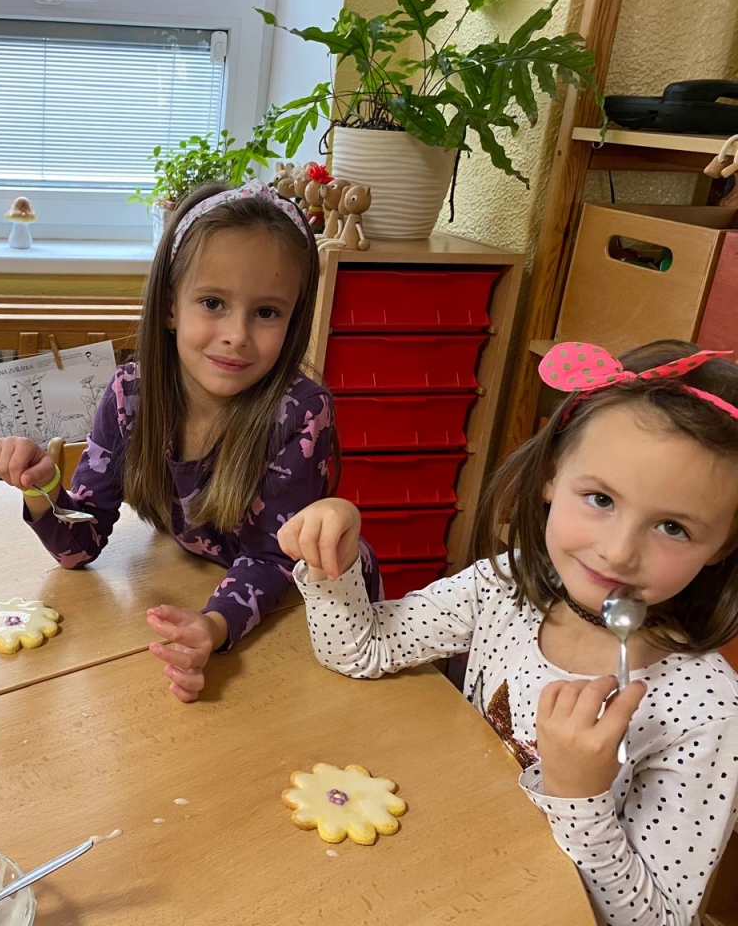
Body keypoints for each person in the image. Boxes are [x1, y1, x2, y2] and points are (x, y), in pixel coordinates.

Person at [280, 339, 738, 925]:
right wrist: (334, 562)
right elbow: (362, 650)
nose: (619, 552)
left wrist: (581, 797)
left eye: (673, 527)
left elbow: (657, 921)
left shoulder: (707, 712)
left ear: (722, 545)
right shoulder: (504, 587)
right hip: (454, 880)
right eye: (600, 498)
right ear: (551, 475)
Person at [0, 179, 380, 703]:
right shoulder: (130, 395)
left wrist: (213, 625)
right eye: (213, 302)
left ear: (294, 317)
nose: (237, 335)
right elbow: (80, 547)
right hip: (210, 587)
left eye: (267, 312)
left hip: (314, 607)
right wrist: (42, 488)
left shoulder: (301, 412)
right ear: (170, 306)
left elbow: (274, 559)